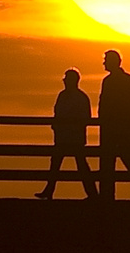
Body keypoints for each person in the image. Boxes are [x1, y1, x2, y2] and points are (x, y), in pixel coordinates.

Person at [36, 68, 97, 200]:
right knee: (57, 164)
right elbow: (57, 113)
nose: (64, 80)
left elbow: (85, 117)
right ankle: (49, 190)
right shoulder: (63, 95)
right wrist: (56, 126)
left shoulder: (80, 97)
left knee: (80, 165)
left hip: (74, 138)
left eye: (66, 78)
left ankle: (92, 194)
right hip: (62, 137)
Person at [98, 50, 130, 201]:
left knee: (121, 156)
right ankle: (107, 195)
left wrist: (123, 116)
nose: (104, 63)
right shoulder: (118, 80)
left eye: (106, 60)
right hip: (111, 126)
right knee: (110, 160)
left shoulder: (121, 81)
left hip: (120, 126)